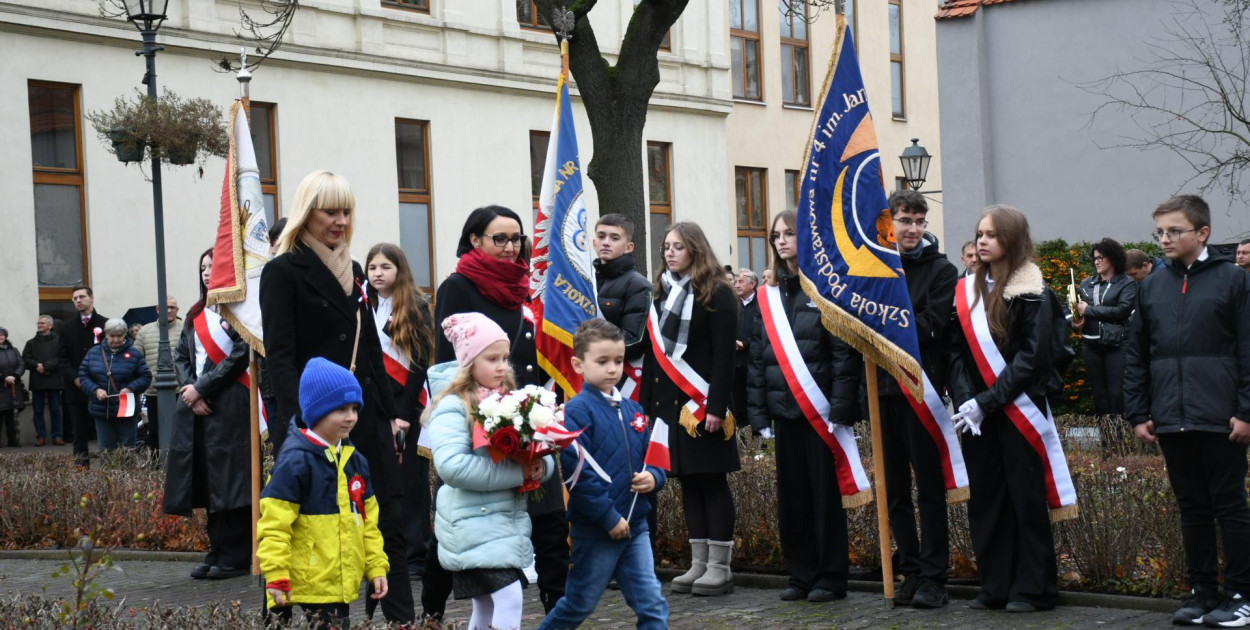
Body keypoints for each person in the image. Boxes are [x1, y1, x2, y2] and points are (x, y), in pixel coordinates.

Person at [260, 170, 414, 622]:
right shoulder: (282, 271)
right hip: (315, 426)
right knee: (312, 527)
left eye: (346, 210)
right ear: (308, 212)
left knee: (387, 525)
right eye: (331, 211)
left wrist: (391, 414)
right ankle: (307, 616)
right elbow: (281, 358)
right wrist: (298, 425)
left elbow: (369, 350)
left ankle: (403, 619)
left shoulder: (357, 271)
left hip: (366, 417)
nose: (341, 220)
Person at [428, 205, 567, 619]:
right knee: (477, 557)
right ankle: (431, 616)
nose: (511, 247)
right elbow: (447, 363)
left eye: (517, 238)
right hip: (479, 424)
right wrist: (479, 407)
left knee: (550, 529)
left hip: (525, 417)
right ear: (475, 240)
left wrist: (535, 410)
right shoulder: (458, 286)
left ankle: (557, 615)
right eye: (500, 238)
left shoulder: (529, 286)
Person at [1125, 195, 1250, 627]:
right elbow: (1137, 353)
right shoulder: (1151, 286)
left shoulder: (1235, 280)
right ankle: (1201, 593)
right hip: (1170, 417)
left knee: (1230, 506)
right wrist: (1139, 412)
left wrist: (1246, 411)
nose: (1164, 239)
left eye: (1174, 231)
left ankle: (1241, 595)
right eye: (1159, 231)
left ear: (1203, 233)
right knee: (1191, 507)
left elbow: (1248, 350)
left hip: (1222, 417)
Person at [947, 205, 1063, 612]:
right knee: (987, 499)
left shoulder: (1032, 289)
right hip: (976, 414)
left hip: (1017, 408)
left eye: (991, 235)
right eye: (979, 233)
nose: (981, 241)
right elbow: (956, 350)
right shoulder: (965, 289)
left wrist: (988, 400)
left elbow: (1033, 357)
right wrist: (966, 398)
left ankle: (1034, 589)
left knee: (1024, 499)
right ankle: (995, 584)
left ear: (1011, 239)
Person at [746, 210, 862, 604]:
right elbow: (759, 359)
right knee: (793, 499)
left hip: (821, 413)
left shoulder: (825, 290)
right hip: (784, 412)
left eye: (790, 233)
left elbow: (844, 356)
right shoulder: (768, 296)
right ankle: (800, 574)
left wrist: (842, 408)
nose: (781, 241)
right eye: (776, 235)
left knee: (824, 499)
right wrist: (759, 413)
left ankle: (830, 577)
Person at [423, 313, 552, 630]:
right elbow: (453, 466)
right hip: (471, 522)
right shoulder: (452, 406)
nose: (502, 366)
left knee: (485, 606)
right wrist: (518, 475)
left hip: (501, 523)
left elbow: (536, 447)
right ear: (468, 362)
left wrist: (541, 465)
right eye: (492, 358)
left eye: (505, 358)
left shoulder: (509, 400)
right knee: (509, 597)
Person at [539, 319, 668, 629]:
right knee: (578, 604)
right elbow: (579, 474)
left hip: (635, 525)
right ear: (578, 364)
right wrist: (608, 519)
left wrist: (654, 477)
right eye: (603, 361)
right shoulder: (577, 411)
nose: (613, 369)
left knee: (651, 603)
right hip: (596, 529)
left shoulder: (635, 409)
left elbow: (654, 457)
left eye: (619, 361)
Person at [867, 191, 961, 608]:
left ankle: (935, 575)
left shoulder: (942, 270)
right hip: (882, 391)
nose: (913, 228)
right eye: (905, 220)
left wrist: (882, 326)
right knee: (895, 492)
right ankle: (910, 568)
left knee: (929, 489)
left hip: (921, 390)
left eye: (919, 221)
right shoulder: (872, 269)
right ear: (890, 223)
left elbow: (933, 325)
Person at [641, 221, 739, 597]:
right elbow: (654, 357)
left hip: (703, 406)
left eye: (677, 246)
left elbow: (723, 358)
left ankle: (720, 568)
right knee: (687, 484)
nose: (669, 252)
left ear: (695, 250)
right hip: (671, 407)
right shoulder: (661, 293)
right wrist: (648, 411)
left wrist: (714, 407)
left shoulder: (716, 293)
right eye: (666, 246)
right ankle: (698, 563)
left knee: (712, 481)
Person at [257, 357, 390, 630]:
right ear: (317, 412)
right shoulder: (296, 460)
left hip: (337, 582)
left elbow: (368, 522)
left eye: (355, 408)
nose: (351, 416)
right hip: (305, 577)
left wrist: (376, 566)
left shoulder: (356, 461)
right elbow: (274, 525)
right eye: (341, 409)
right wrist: (276, 573)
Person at [162, 249, 253, 580]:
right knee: (209, 481)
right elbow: (182, 354)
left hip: (230, 403)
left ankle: (236, 554)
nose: (206, 272)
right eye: (202, 267)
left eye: (213, 266)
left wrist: (204, 388)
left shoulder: (240, 312)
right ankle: (216, 549)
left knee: (231, 480)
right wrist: (191, 390)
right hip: (197, 406)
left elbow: (241, 355)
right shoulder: (196, 312)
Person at [365, 243, 435, 586]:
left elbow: (420, 364)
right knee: (379, 481)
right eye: (373, 267)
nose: (378, 273)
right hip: (375, 406)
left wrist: (403, 415)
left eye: (385, 267)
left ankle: (415, 554)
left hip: (407, 403)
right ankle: (385, 553)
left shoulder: (416, 306)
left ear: (399, 270)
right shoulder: (363, 306)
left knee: (410, 482)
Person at [1071, 238, 1137, 416]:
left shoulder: (1127, 284)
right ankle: (1107, 440)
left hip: (1117, 345)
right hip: (1090, 345)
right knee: (1099, 396)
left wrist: (1089, 310)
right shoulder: (1085, 284)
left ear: (1114, 258)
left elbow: (1122, 311)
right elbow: (1071, 309)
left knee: (1117, 394)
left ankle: (1121, 440)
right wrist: (1075, 321)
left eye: (1101, 257)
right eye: (1095, 258)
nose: (1097, 261)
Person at [78, 318, 151, 453]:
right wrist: (95, 390)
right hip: (102, 410)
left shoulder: (134, 354)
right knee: (106, 450)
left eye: (120, 336)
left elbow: (146, 376)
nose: (116, 339)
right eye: (112, 336)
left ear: (125, 335)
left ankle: (127, 474)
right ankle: (108, 474)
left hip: (126, 410)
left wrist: (130, 388)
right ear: (106, 334)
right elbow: (83, 376)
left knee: (127, 449)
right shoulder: (94, 353)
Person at [592, 213, 651, 370]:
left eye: (614, 238)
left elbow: (633, 341)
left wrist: (588, 347)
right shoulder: (585, 280)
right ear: (594, 243)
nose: (606, 242)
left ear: (628, 248)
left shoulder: (639, 286)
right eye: (601, 236)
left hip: (620, 377)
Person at [60, 284, 108, 467]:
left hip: (102, 387)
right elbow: (62, 358)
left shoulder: (105, 324)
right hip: (76, 387)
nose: (78, 301)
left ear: (91, 297)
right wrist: (75, 378)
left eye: (81, 297)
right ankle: (81, 471)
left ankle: (110, 470)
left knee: (104, 431)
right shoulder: (67, 328)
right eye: (75, 298)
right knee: (78, 433)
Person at [134, 295, 182, 453]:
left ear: (177, 310)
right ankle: (155, 468)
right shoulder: (145, 331)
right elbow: (136, 360)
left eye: (172, 308)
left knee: (179, 430)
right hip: (153, 391)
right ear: (157, 309)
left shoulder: (185, 329)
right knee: (154, 431)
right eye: (165, 307)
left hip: (180, 391)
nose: (168, 310)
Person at [22, 315, 62, 446]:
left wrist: (46, 366)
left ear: (50, 326)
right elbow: (25, 359)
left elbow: (61, 357)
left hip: (54, 380)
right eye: (38, 323)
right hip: (37, 381)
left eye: (42, 323)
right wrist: (36, 366)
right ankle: (40, 436)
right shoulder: (31, 343)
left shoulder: (58, 341)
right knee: (37, 411)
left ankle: (57, 436)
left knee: (55, 410)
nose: (39, 325)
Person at [732, 267, 759, 432]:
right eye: (736, 281)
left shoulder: (761, 304)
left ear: (752, 284)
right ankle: (742, 439)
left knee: (754, 401)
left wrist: (746, 344)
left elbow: (763, 331)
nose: (736, 285)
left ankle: (758, 441)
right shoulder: (734, 304)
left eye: (741, 281)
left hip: (753, 361)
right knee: (738, 401)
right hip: (735, 362)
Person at [0, 327, 24, 447]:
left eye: (2, 335)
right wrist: (3, 377)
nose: (0, 337)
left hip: (13, 387)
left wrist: (14, 375)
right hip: (1, 386)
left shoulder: (13, 350)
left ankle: (13, 442)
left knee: (11, 416)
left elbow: (21, 364)